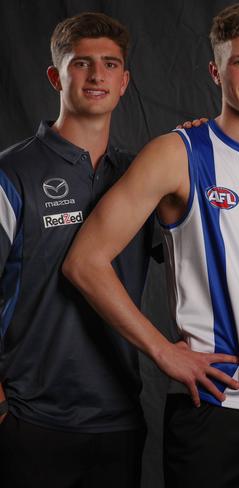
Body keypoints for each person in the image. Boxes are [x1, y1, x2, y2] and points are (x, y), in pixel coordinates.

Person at [64, 3, 239, 486]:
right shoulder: (176, 154)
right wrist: (162, 351)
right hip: (210, 407)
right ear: (217, 71)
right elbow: (85, 262)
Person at [0, 12, 153, 488]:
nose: (97, 75)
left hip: (119, 417)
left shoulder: (143, 176)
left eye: (110, 64)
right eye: (82, 63)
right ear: (55, 76)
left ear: (125, 81)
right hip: (30, 416)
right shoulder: (13, 172)